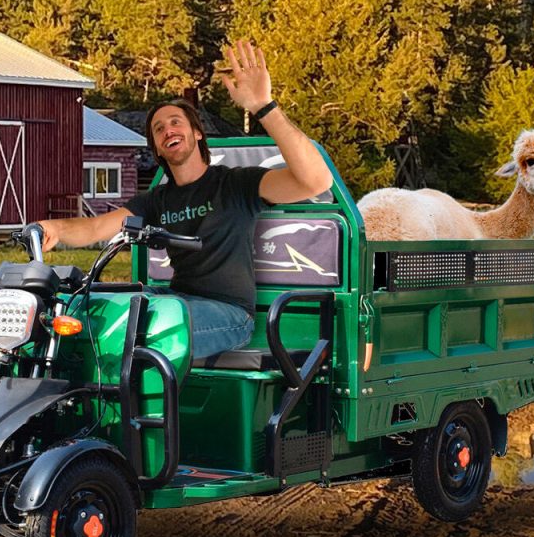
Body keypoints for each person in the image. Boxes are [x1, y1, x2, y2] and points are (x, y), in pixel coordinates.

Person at [34, 40, 332, 359]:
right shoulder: (156, 200)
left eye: (176, 121)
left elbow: (315, 180)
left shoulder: (236, 183)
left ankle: (140, 408)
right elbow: (96, 229)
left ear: (197, 133)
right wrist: (53, 227)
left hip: (230, 314)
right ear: (158, 149)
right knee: (83, 308)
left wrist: (264, 107)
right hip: (176, 302)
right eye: (158, 129)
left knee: (154, 324)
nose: (167, 130)